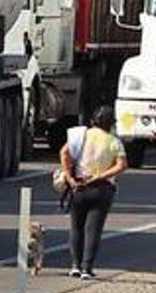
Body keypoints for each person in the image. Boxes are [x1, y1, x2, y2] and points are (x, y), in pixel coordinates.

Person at [60, 107, 128, 280]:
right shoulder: (114, 141)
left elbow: (64, 152)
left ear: (93, 121)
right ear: (111, 123)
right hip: (102, 188)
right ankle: (87, 268)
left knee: (76, 227)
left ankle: (75, 265)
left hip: (79, 186)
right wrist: (100, 175)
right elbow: (122, 165)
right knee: (94, 230)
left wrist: (69, 177)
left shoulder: (80, 136)